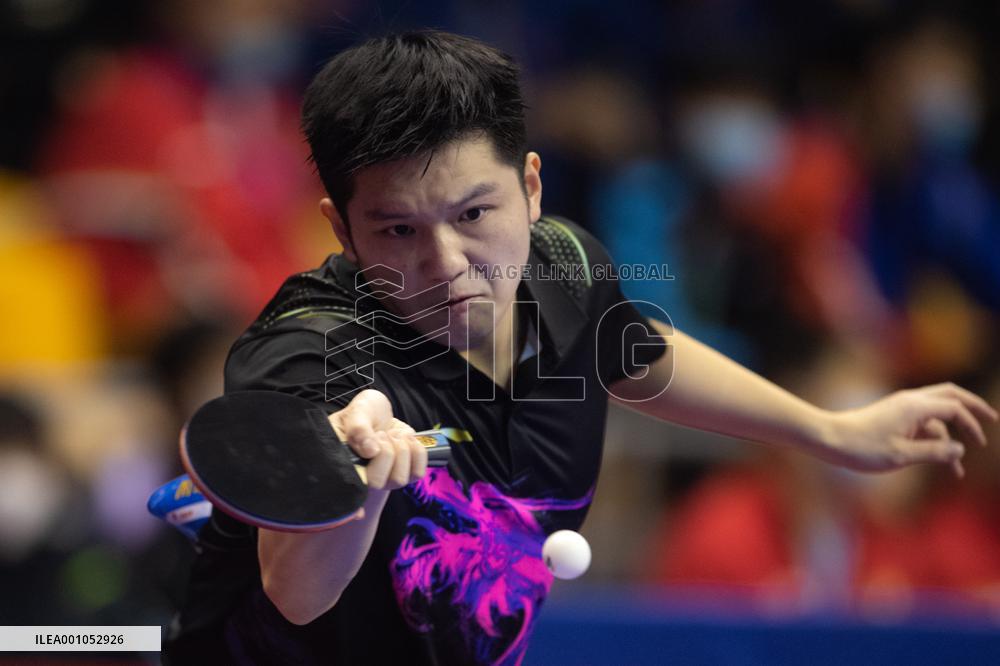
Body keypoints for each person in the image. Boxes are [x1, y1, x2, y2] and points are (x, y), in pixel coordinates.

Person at [163, 31, 998, 665]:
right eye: (398, 230)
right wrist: (362, 486)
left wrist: (829, 430)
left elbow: (631, 351)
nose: (449, 264)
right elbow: (298, 597)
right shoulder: (314, 355)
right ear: (340, 229)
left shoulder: (563, 265)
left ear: (530, 187)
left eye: (474, 214)